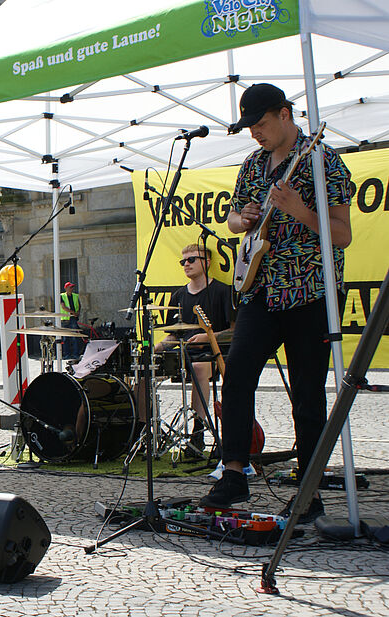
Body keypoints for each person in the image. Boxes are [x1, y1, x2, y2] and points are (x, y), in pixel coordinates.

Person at [199, 83, 353, 524]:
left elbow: (342, 234)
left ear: (285, 114)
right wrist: (241, 219)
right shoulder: (253, 164)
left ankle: (309, 491)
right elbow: (233, 217)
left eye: (261, 124)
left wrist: (302, 211)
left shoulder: (322, 160)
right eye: (250, 127)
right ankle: (234, 471)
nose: (256, 134)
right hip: (261, 290)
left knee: (307, 393)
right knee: (237, 374)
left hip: (310, 292)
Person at [155, 243, 233, 454]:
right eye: (183, 261)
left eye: (191, 260)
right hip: (182, 352)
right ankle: (145, 429)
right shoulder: (178, 295)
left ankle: (198, 432)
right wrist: (157, 347)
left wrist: (208, 337)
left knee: (198, 368)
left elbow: (234, 331)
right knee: (144, 368)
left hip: (211, 353)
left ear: (207, 262)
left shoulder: (222, 291)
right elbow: (173, 334)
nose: (186, 264)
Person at [60, 282, 82, 359]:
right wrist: (73, 312)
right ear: (66, 288)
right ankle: (67, 354)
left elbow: (79, 305)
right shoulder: (62, 296)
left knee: (74, 337)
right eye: (70, 287)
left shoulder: (75, 296)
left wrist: (78, 312)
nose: (72, 289)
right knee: (65, 338)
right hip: (65, 319)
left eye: (72, 287)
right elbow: (63, 307)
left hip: (73, 318)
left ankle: (75, 354)